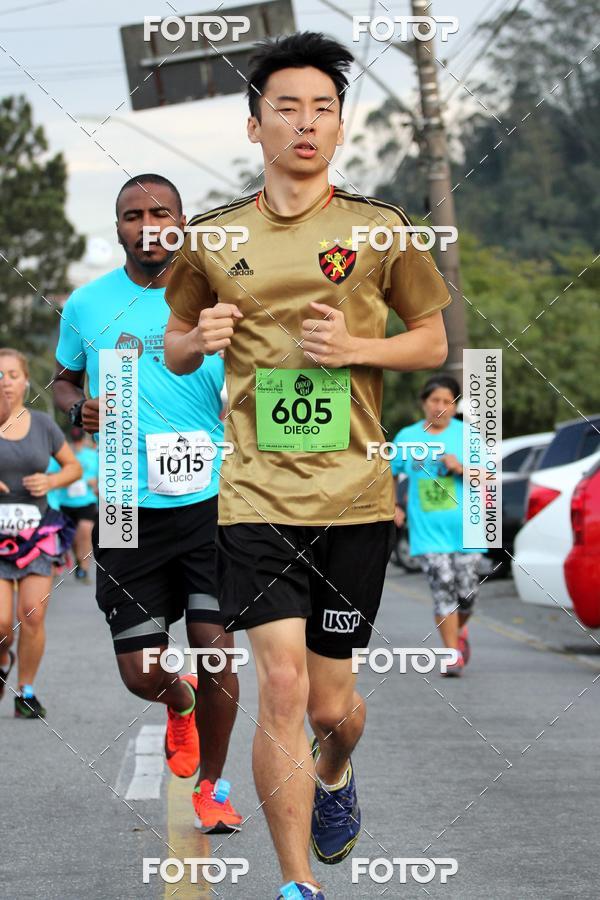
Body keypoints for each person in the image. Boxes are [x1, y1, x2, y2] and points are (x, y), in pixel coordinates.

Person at [163, 32, 450, 900]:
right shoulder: (213, 239)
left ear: (337, 125)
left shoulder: (381, 229)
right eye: (286, 107)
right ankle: (296, 886)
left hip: (355, 497)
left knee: (332, 710)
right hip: (254, 494)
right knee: (280, 687)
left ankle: (335, 775)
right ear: (255, 126)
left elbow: (432, 340)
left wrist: (357, 345)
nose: (305, 122)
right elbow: (174, 343)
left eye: (322, 108)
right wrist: (196, 340)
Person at [53, 174, 242, 833]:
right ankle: (178, 701)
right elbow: (62, 379)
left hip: (210, 500)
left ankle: (213, 787)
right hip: (126, 507)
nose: (148, 223)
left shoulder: (221, 295)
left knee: (214, 646)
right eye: (133, 215)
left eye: (161, 212)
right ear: (119, 230)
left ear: (182, 222)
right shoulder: (86, 304)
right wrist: (78, 409)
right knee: (140, 671)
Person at [0, 348, 81, 717]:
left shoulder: (43, 425)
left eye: (12, 375)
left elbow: (73, 468)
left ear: (25, 381)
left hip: (36, 533)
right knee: (2, 622)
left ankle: (26, 691)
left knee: (31, 613)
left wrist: (50, 479)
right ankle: (3, 657)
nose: (5, 383)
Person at [391, 375, 484, 676]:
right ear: (424, 403)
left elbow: (488, 477)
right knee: (443, 587)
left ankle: (459, 631)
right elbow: (387, 473)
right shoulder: (407, 437)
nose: (440, 407)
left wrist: (461, 468)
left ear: (455, 406)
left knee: (467, 595)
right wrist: (393, 505)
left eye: (447, 401)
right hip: (428, 531)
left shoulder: (468, 435)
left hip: (466, 529)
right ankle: (451, 654)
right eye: (434, 401)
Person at [57, 427, 98, 583]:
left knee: (85, 532)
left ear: (84, 440)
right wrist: (64, 480)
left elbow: (102, 474)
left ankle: (84, 567)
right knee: (74, 539)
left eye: (79, 441)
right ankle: (79, 560)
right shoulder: (63, 456)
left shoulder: (92, 455)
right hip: (66, 502)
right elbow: (52, 474)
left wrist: (95, 482)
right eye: (75, 441)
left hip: (86, 501)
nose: (77, 444)